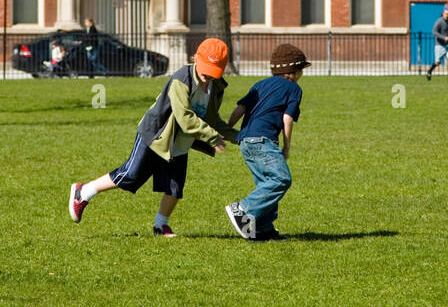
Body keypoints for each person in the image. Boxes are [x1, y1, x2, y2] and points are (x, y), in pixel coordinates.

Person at [70, 38, 240, 237]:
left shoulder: (215, 87)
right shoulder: (182, 79)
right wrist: (212, 136)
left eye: (213, 71)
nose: (208, 75)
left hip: (180, 142)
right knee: (131, 175)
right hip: (156, 135)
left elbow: (213, 119)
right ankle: (84, 191)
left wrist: (239, 137)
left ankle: (161, 226)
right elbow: (184, 117)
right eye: (205, 69)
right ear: (195, 58)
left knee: (175, 186)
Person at [224, 43, 309, 242]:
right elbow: (287, 119)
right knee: (281, 179)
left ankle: (264, 229)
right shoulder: (294, 89)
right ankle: (243, 209)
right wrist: (286, 146)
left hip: (245, 141)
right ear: (294, 71)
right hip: (263, 141)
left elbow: (240, 109)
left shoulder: (260, 84)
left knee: (265, 182)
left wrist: (227, 129)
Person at [426, 6, 448, 80]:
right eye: (445, 14)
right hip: (440, 44)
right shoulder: (439, 21)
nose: (446, 15)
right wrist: (443, 37)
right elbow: (434, 32)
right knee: (437, 62)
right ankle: (429, 71)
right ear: (443, 14)